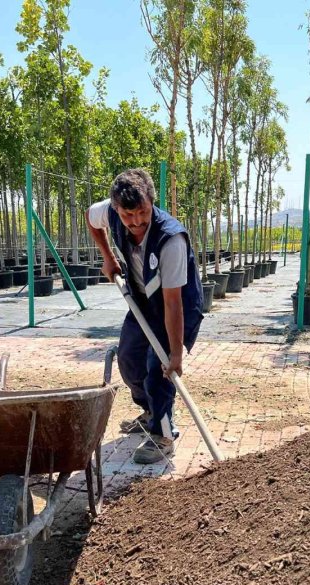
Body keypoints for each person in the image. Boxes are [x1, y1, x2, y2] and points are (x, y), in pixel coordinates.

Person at [86, 168, 203, 464]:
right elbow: (90, 217)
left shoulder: (171, 239)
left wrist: (175, 356)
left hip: (175, 306)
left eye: (142, 212)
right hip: (143, 299)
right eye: (128, 216)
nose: (136, 222)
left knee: (158, 368)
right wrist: (109, 258)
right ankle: (150, 412)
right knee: (128, 358)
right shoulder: (109, 212)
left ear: (152, 201)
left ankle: (163, 435)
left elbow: (173, 303)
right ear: (116, 209)